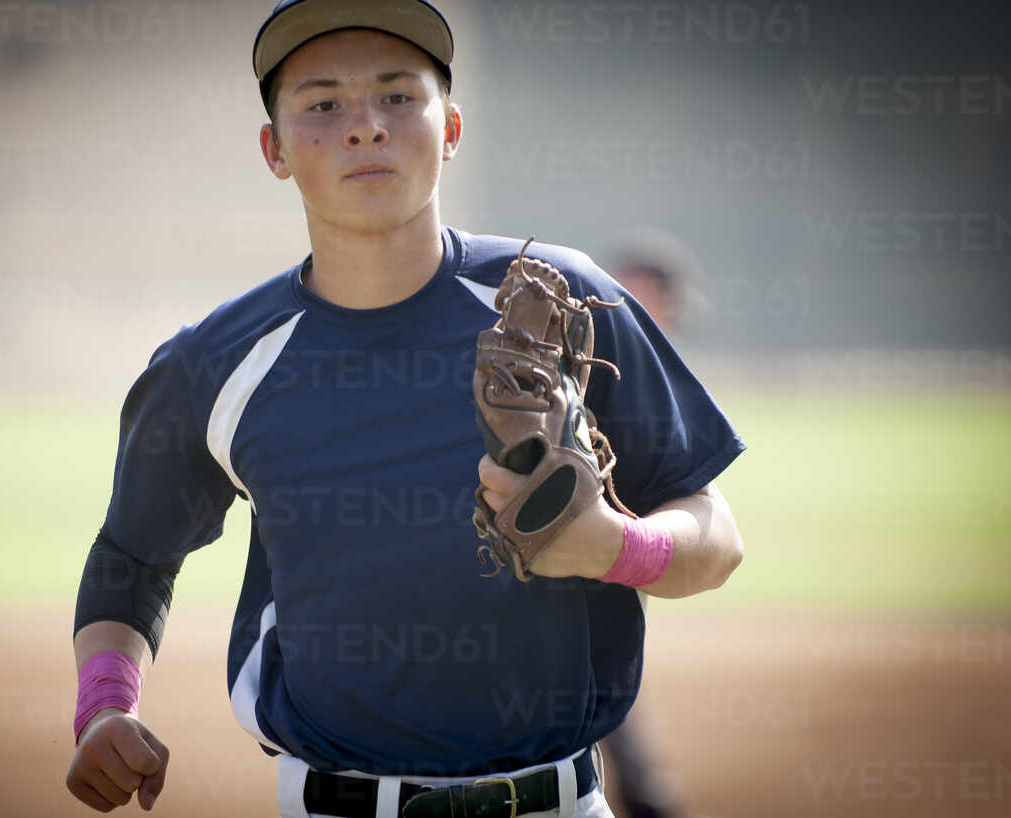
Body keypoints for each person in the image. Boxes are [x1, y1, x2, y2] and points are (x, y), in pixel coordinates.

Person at [64, 2, 746, 816]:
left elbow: (718, 537)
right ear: (274, 150)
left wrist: (615, 546)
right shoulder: (214, 364)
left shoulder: (564, 303)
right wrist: (105, 704)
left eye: (397, 96)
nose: (365, 128)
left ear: (451, 127)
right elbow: (131, 559)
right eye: (322, 104)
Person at [593, 227, 715, 818]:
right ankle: (639, 791)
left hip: (615, 538)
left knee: (599, 656)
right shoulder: (594, 347)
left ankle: (637, 789)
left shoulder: (656, 367)